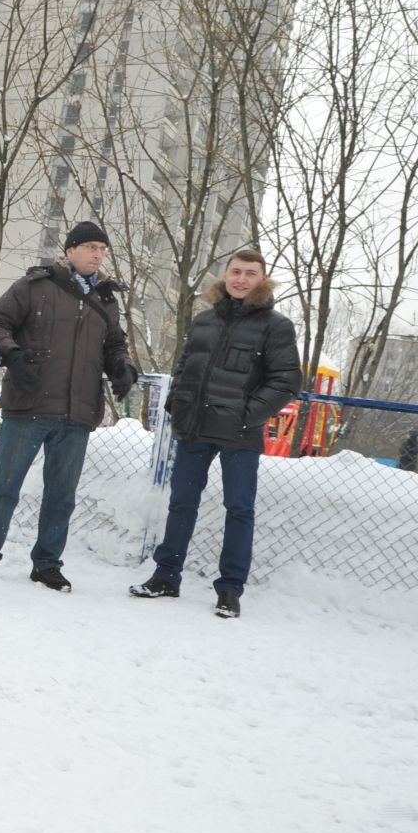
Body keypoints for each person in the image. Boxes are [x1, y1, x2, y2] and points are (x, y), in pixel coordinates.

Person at [130, 248, 300, 618]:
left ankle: (230, 589)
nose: (241, 279)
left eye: (250, 274)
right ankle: (166, 576)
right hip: (194, 427)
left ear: (262, 279)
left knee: (239, 510)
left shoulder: (276, 326)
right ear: (225, 276)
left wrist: (247, 415)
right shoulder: (205, 320)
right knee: (181, 504)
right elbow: (184, 364)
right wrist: (177, 402)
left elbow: (286, 381)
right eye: (235, 272)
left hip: (240, 433)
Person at [0, 220, 138, 591]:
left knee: (61, 496)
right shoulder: (35, 286)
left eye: (102, 249)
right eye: (91, 247)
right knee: (6, 486)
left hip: (77, 413)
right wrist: (12, 355)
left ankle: (47, 564)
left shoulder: (106, 300)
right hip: (29, 405)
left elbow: (114, 346)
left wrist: (124, 367)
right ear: (71, 250)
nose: (98, 255)